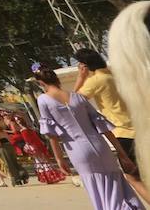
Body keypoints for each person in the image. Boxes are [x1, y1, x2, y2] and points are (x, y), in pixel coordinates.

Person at [34, 63, 143, 209]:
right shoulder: (77, 98)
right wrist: (122, 153)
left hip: (77, 149)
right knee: (117, 184)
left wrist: (59, 159)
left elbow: (51, 133)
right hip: (100, 145)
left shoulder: (43, 100)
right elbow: (103, 127)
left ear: (40, 82)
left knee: (98, 189)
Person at [78, 48, 150, 204]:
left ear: (84, 65)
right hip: (141, 129)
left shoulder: (96, 80)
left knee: (133, 176)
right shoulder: (114, 76)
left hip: (123, 133)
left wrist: (81, 77)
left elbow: (72, 103)